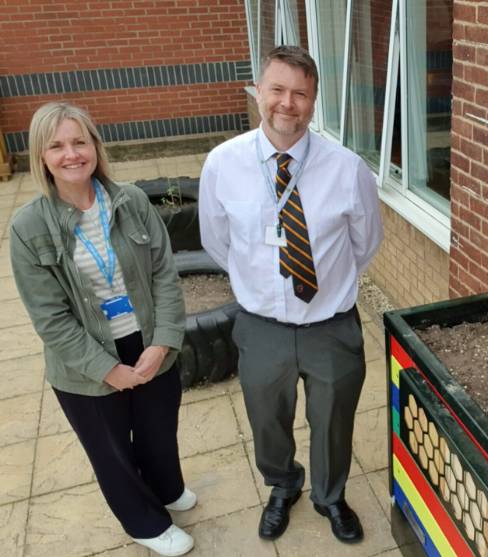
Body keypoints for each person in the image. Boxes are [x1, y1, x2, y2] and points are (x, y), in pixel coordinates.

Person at [199, 45, 383, 543]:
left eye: (300, 93)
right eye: (277, 89)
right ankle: (283, 487)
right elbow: (218, 241)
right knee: (267, 420)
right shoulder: (223, 164)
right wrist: (258, 284)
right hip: (261, 328)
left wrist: (325, 286)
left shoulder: (347, 169)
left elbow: (364, 244)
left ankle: (330, 495)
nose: (287, 103)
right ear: (259, 91)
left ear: (314, 101)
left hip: (331, 326)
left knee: (334, 421)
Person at [10, 102, 194, 557]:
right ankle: (145, 523)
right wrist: (107, 369)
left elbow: (164, 275)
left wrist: (164, 341)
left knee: (157, 430)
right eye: (57, 146)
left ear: (95, 145)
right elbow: (50, 319)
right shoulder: (27, 227)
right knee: (112, 450)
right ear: (41, 155)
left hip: (147, 340)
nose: (71, 154)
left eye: (79, 141)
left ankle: (167, 489)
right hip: (86, 362)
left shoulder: (131, 201)